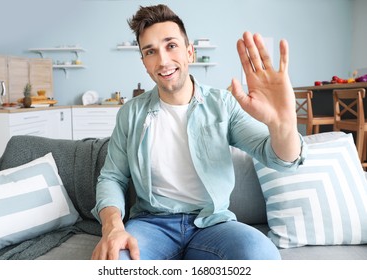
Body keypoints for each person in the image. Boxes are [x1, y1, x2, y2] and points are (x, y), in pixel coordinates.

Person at [91, 4, 305, 260]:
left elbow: (279, 158)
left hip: (213, 224)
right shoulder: (131, 113)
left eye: (171, 45)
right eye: (151, 51)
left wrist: (283, 124)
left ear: (190, 52)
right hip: (151, 225)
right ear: (144, 63)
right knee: (115, 262)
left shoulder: (223, 104)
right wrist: (113, 227)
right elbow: (112, 178)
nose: (163, 60)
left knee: (262, 256)